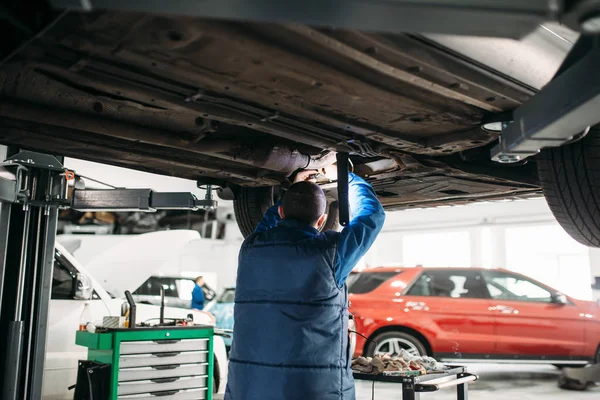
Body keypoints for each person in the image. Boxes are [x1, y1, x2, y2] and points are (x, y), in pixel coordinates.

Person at [226, 169, 385, 400]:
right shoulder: (333, 252)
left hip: (249, 387)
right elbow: (372, 215)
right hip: (314, 390)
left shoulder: (251, 247)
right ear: (321, 220)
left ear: (281, 211)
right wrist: (346, 177)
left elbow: (270, 220)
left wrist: (296, 188)